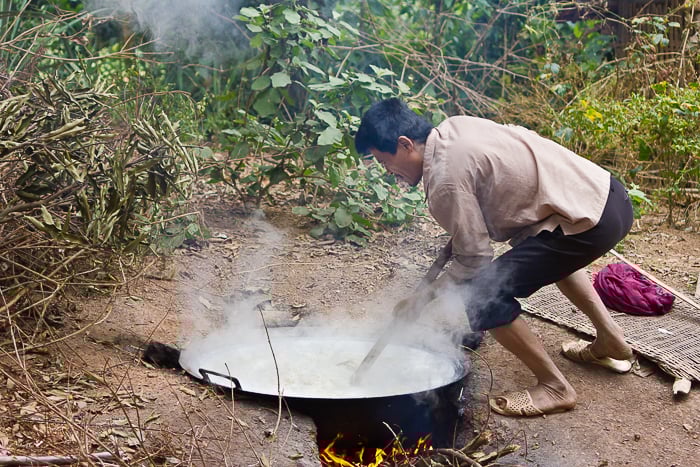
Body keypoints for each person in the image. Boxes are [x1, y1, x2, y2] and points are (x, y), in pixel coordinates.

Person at [354, 98, 635, 417]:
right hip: (608, 198)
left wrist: (424, 298)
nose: (388, 172)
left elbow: (474, 259)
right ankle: (612, 341)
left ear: (405, 145)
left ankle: (554, 387)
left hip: (589, 223)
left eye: (383, 161)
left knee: (479, 294)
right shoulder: (453, 128)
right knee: (546, 248)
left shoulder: (445, 180)